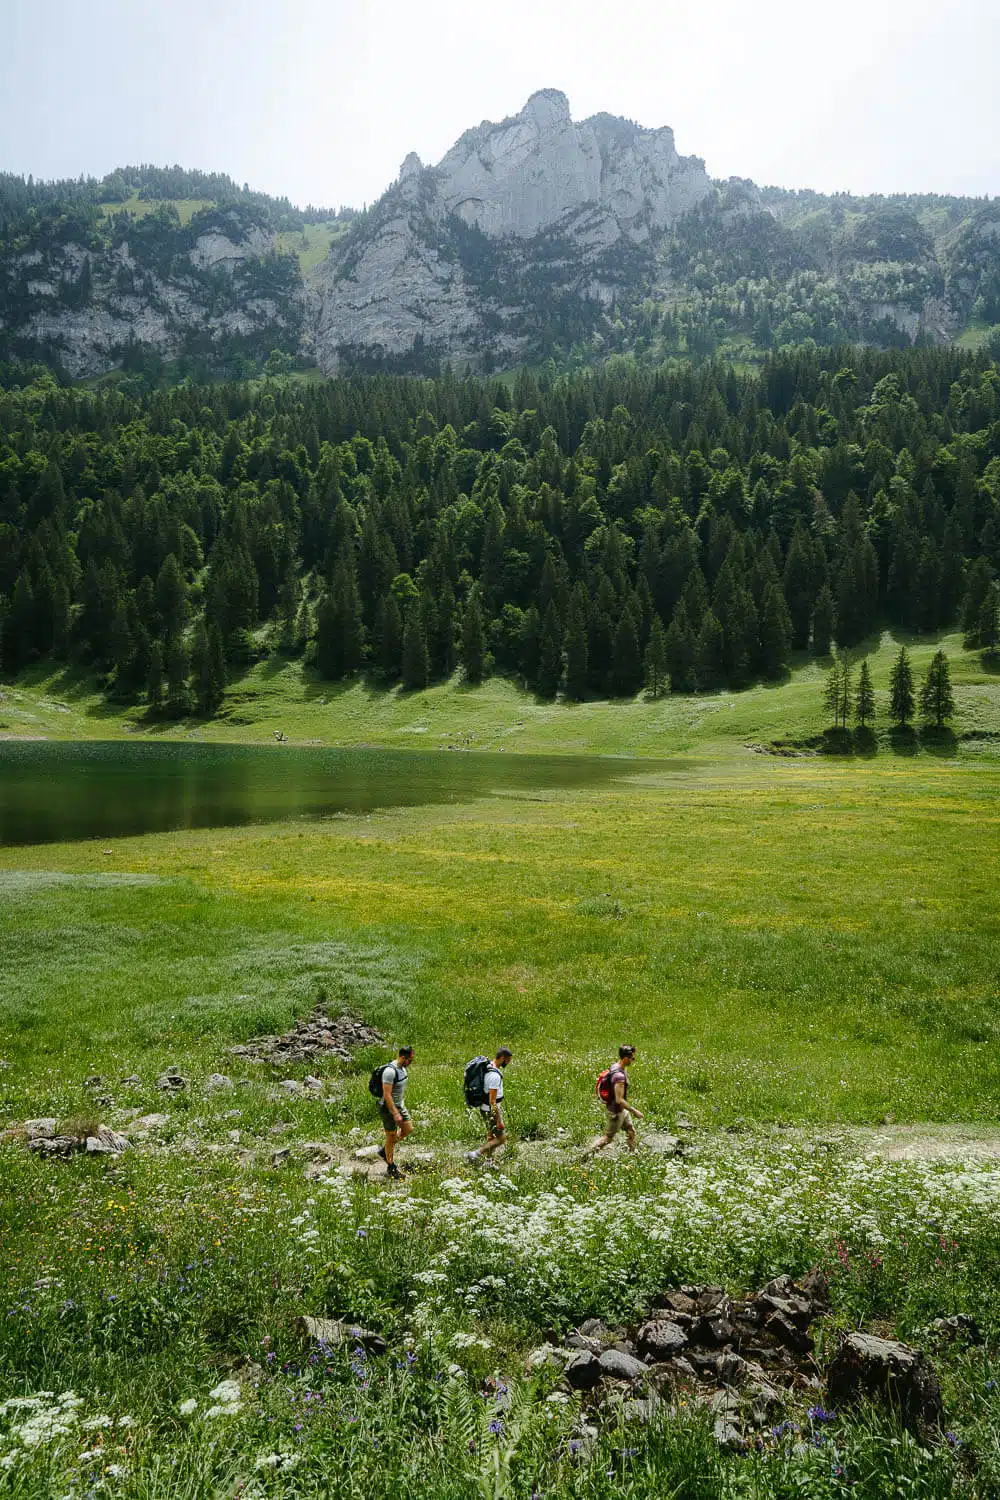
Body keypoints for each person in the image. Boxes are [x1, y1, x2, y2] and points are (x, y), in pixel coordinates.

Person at [588, 1045, 643, 1153]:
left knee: (630, 1131)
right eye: (632, 1058)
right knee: (608, 1138)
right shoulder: (619, 1077)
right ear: (626, 1058)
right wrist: (634, 1111)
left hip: (622, 1110)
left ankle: (632, 1155)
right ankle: (585, 1155)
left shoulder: (616, 1066)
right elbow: (619, 1099)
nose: (633, 1060)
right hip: (616, 1112)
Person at [465, 1047, 512, 1163]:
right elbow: (492, 1101)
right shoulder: (494, 1077)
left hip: (484, 1108)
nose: (508, 1063)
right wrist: (498, 1120)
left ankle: (488, 1161)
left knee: (491, 1136)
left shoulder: (488, 1066)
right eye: (507, 1060)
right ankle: (475, 1154)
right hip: (490, 1110)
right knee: (501, 1138)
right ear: (502, 1058)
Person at [377, 1045, 414, 1179]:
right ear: (403, 1057)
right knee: (391, 1137)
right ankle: (391, 1167)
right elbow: (387, 1095)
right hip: (389, 1108)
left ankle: (385, 1150)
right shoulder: (389, 1072)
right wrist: (395, 1113)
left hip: (400, 1106)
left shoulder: (402, 1069)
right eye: (410, 1060)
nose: (411, 1063)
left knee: (408, 1129)